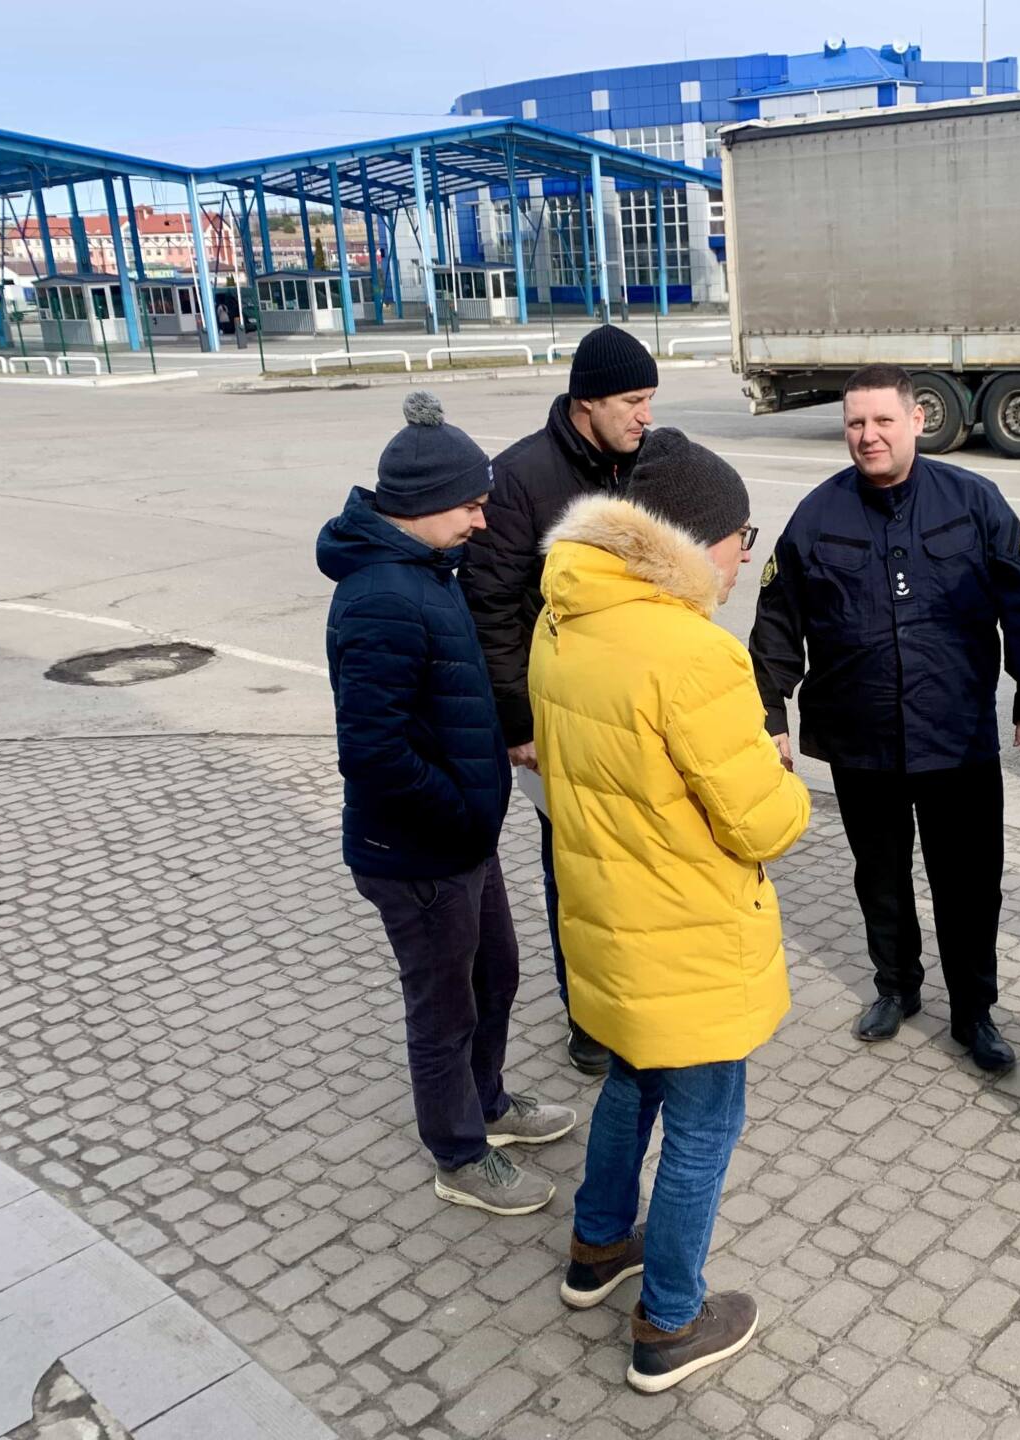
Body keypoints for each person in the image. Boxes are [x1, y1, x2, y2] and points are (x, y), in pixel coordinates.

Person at [529, 428, 811, 1393]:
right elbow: (765, 825)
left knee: (629, 1084)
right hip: (689, 935)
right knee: (703, 1120)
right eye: (744, 538)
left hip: (608, 919)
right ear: (697, 541)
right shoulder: (694, 655)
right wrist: (786, 775)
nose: (746, 558)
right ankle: (672, 1322)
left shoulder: (562, 618)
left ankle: (599, 1245)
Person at [749, 364, 1020, 1076]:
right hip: (862, 742)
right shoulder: (816, 516)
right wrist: (768, 716)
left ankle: (975, 1012)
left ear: (917, 419)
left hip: (957, 739)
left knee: (969, 883)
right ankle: (897, 988)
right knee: (879, 877)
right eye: (855, 423)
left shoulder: (973, 501)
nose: (867, 436)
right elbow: (775, 625)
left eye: (882, 421)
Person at [318, 391, 575, 1219]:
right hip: (419, 851)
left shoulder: (425, 573)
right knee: (444, 1007)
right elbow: (373, 751)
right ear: (424, 506)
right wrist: (460, 810)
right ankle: (459, 1153)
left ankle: (489, 1105)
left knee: (494, 974)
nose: (480, 520)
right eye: (470, 505)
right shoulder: (383, 598)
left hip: (460, 839)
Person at [461, 323, 659, 1076]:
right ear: (587, 403)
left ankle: (636, 994)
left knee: (635, 861)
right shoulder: (518, 480)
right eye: (633, 401)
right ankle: (587, 1017)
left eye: (650, 400)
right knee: (574, 868)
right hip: (553, 718)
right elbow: (490, 611)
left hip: (631, 709)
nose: (646, 416)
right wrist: (518, 724)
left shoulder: (640, 464)